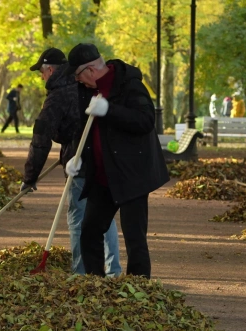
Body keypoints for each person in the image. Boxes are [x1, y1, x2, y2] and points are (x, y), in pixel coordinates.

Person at [62, 43, 169, 278]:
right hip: (104, 175)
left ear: (90, 70)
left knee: (134, 237)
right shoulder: (88, 90)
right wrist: (76, 158)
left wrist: (110, 109)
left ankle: (139, 290)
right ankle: (94, 284)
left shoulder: (129, 84)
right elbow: (88, 129)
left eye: (78, 75)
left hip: (132, 175)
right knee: (90, 230)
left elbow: (145, 121)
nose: (78, 81)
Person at [21, 47, 122, 277]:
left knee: (79, 217)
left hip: (81, 164)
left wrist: (30, 177)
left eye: (41, 72)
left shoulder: (58, 94)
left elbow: (41, 137)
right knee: (104, 216)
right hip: (100, 158)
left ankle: (81, 272)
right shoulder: (84, 84)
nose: (41, 77)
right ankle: (112, 270)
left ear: (49, 69)